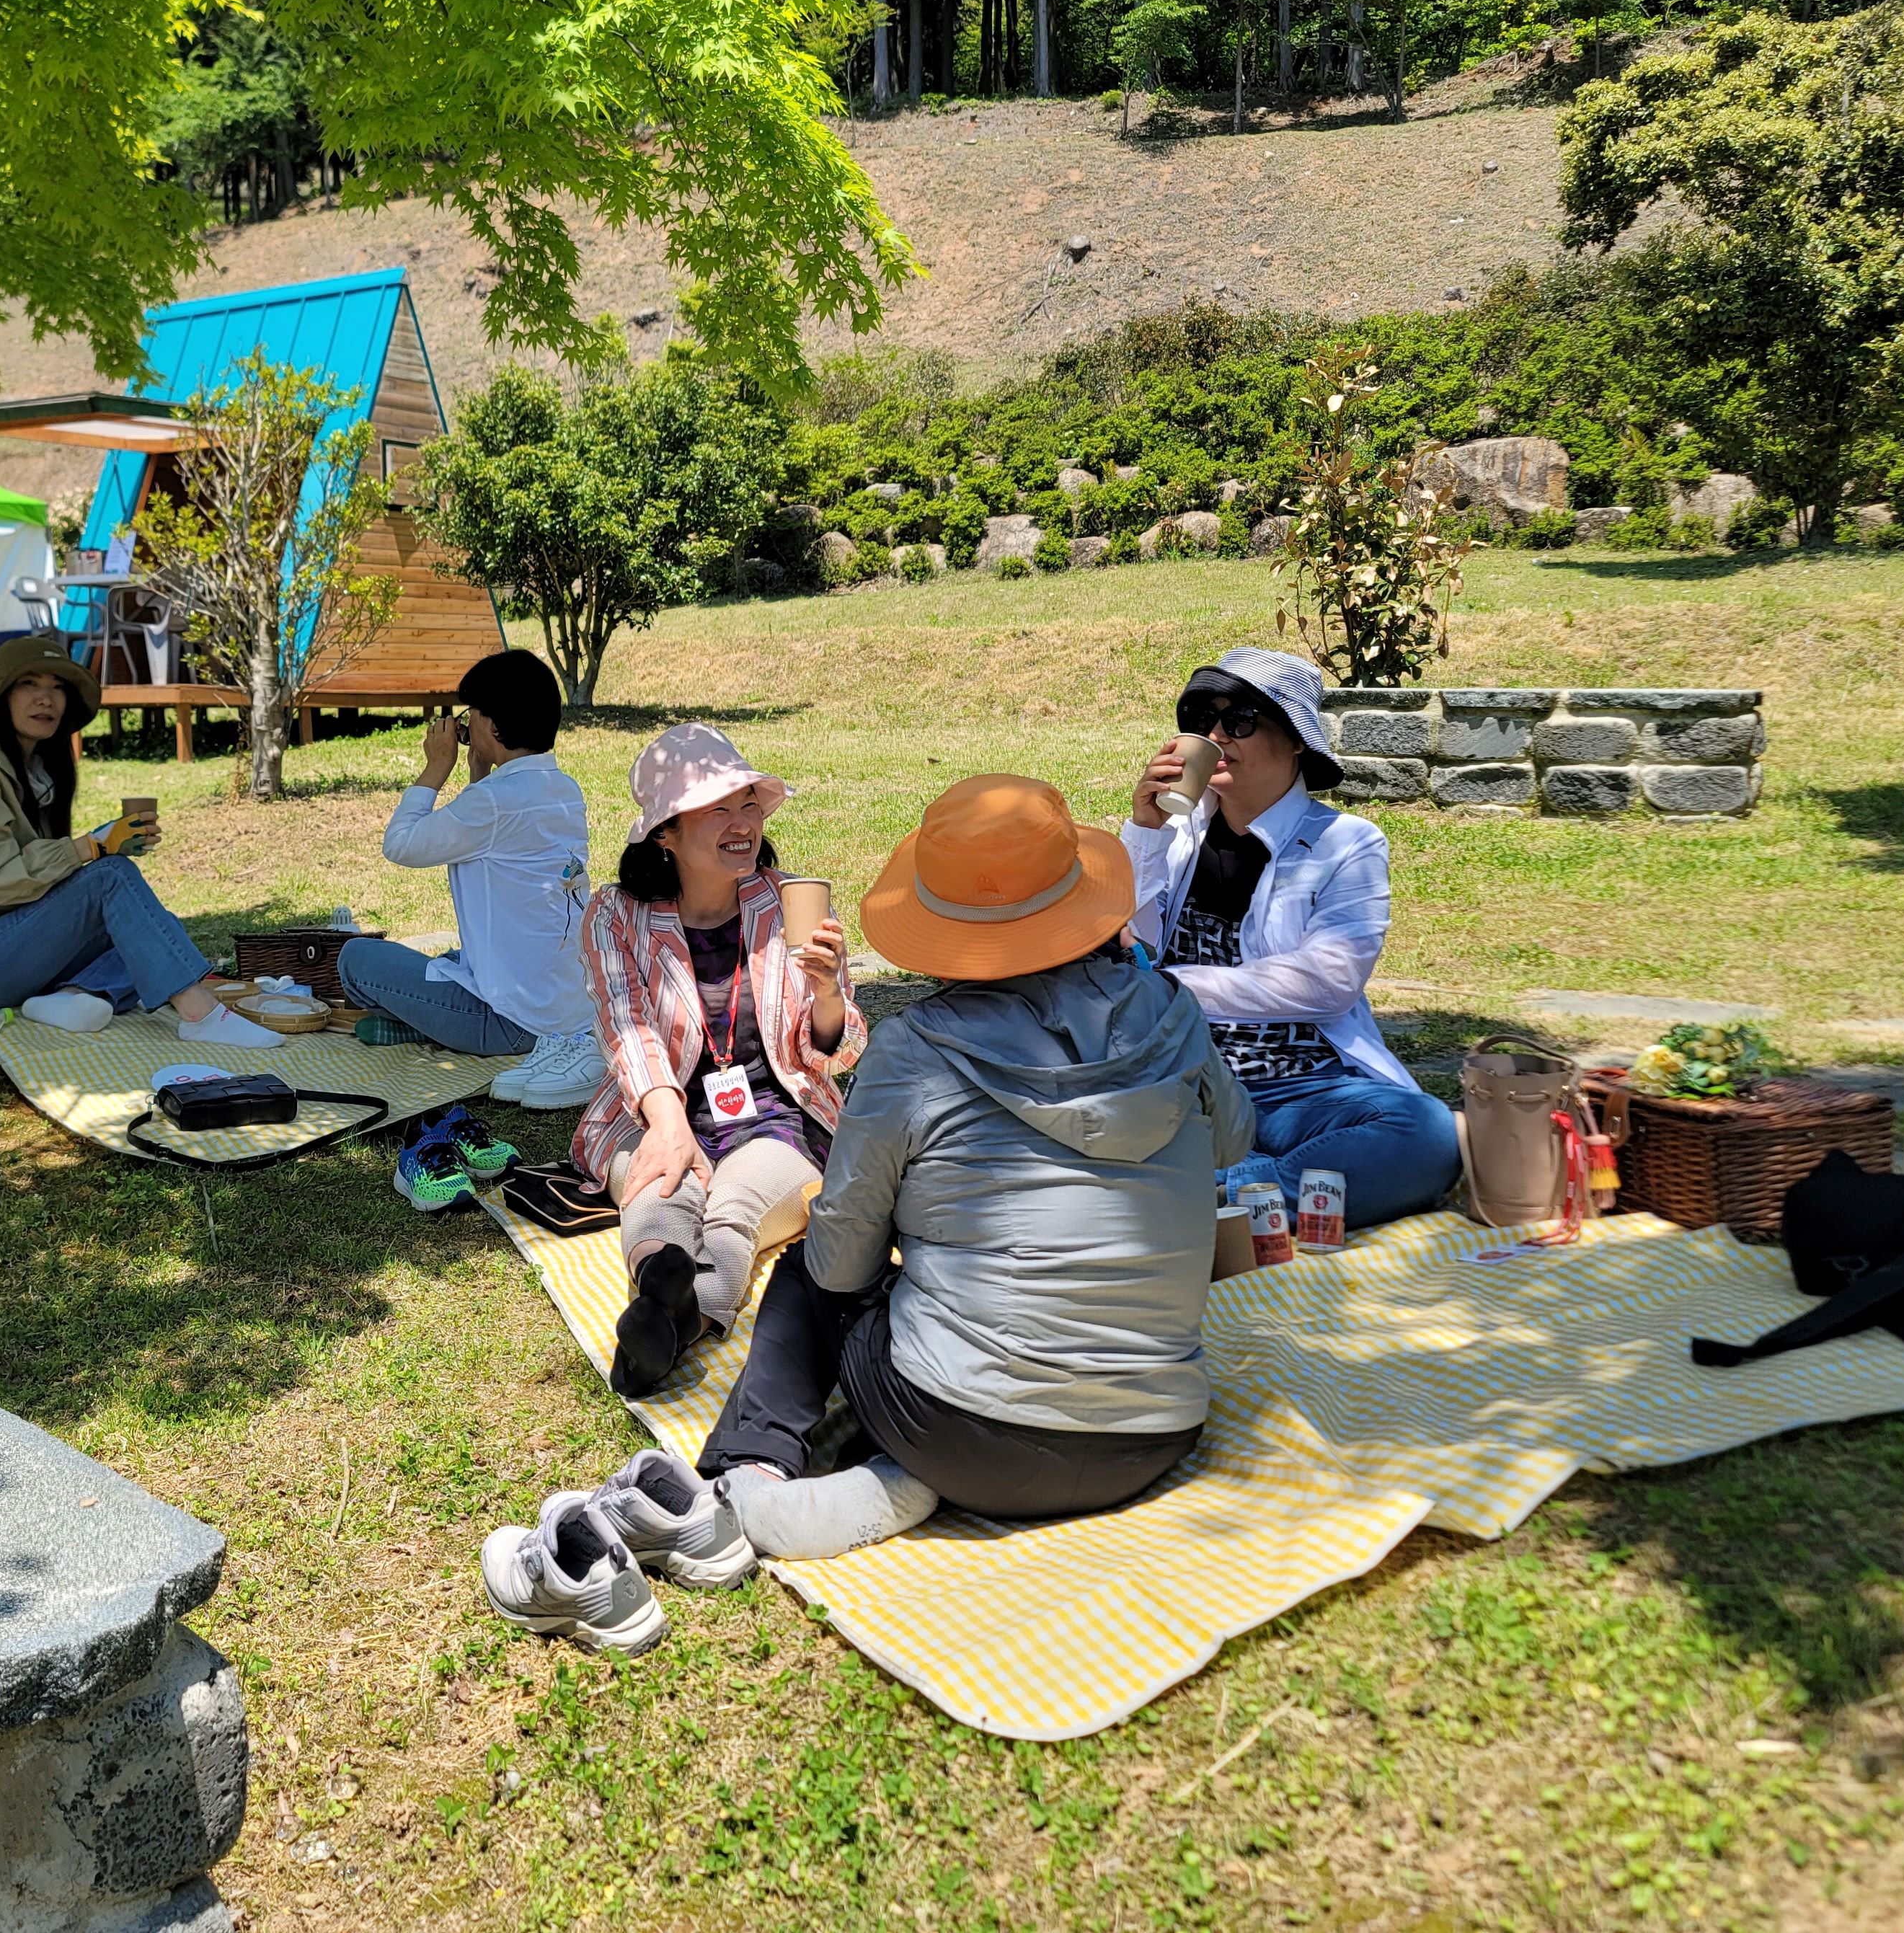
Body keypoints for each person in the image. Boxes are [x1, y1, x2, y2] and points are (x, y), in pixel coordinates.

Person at [688, 773, 1254, 1561]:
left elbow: (842, 1260)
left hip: (956, 1424)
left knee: (806, 1275)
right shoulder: (1170, 1011)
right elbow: (1233, 1141)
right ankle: (908, 1469)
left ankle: (749, 1471)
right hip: (1151, 1437)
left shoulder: (916, 1048)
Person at [1123, 645, 1461, 1226]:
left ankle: (1223, 1190)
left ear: (1298, 739)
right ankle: (1251, 1190)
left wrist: (1172, 985)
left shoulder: (1347, 844)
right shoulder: (1175, 833)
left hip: (1295, 1086)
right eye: (1202, 720)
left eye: (1241, 721)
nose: (1217, 736)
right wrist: (1144, 832)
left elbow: (1329, 982)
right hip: (1179, 1076)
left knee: (1425, 1133)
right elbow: (1124, 948)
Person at [576, 723, 864, 1399]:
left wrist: (828, 990)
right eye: (717, 809)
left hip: (778, 1114)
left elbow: (840, 1053)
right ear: (665, 833)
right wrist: (668, 1122)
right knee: (659, 1192)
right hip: (656, 1107)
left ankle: (678, 1321)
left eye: (749, 805)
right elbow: (626, 1024)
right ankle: (663, 1286)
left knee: (733, 1210)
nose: (743, 825)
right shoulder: (616, 915)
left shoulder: (791, 901)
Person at [0, 632, 283, 1050]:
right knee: (112, 880)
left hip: (7, 946)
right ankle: (202, 1015)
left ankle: (75, 998)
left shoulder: (38, 771)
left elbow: (37, 886)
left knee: (152, 927)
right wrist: (91, 848)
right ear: (2, 697)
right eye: (29, 684)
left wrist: (106, 842)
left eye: (57, 687)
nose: (45, 699)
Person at [336, 650, 607, 1106]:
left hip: (506, 1022)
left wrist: (436, 767)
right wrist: (479, 772)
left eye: (472, 714)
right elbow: (495, 830)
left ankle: (421, 1023)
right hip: (567, 1007)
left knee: (355, 958)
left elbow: (400, 845)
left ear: (494, 726)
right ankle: (420, 1020)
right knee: (452, 957)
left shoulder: (494, 803)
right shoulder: (562, 788)